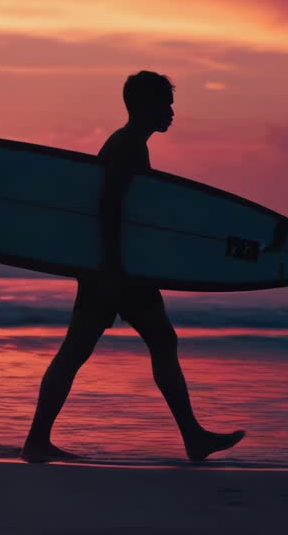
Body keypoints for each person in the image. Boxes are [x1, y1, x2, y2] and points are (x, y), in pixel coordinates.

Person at [21, 71, 246, 463]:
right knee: (83, 350)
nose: (172, 111)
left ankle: (192, 436)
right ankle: (38, 440)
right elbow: (107, 208)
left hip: (117, 266)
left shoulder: (129, 144)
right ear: (145, 106)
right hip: (115, 269)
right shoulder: (126, 147)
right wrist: (110, 269)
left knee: (151, 342)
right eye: (166, 103)